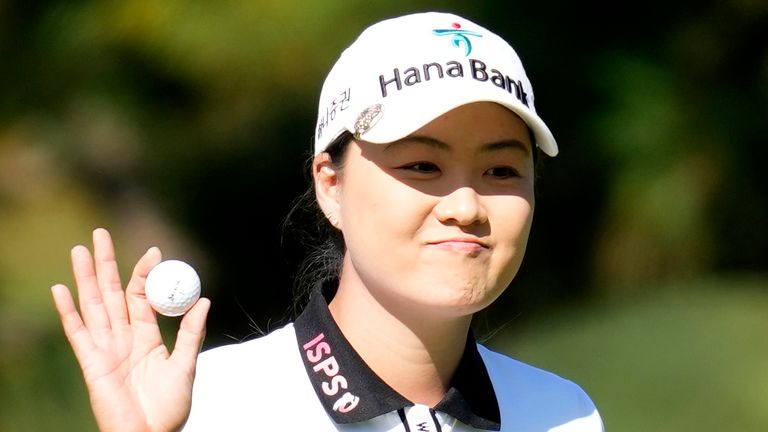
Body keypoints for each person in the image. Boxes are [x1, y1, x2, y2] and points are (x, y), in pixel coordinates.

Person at [51, 11, 604, 432]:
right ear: (330, 185)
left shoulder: (564, 415)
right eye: (422, 165)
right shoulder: (211, 405)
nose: (466, 206)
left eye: (502, 169)